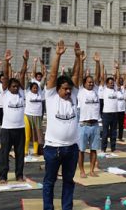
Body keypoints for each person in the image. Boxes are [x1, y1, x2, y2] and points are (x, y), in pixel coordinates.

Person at [42, 40, 80, 210]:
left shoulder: (73, 97)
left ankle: (67, 207)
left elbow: (76, 76)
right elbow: (52, 76)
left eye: (69, 89)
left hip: (71, 149)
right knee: (50, 181)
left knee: (68, 182)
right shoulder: (50, 97)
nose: (68, 91)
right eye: (65, 88)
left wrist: (78, 58)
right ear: (57, 89)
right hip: (53, 149)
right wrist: (57, 55)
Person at [0, 49, 28, 183]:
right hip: (7, 130)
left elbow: (22, 75)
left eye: (17, 86)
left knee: (20, 155)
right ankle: (3, 176)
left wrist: (25, 62)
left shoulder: (22, 93)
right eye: (13, 86)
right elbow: (6, 78)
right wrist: (6, 62)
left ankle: (19, 175)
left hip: (20, 129)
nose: (15, 88)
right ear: (8, 87)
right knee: (4, 154)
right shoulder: (5, 94)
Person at [78, 49, 101, 178]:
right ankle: (82, 170)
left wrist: (97, 63)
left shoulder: (96, 90)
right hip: (83, 125)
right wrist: (81, 62)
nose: (91, 84)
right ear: (84, 83)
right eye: (89, 82)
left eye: (92, 82)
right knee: (81, 150)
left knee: (93, 149)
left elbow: (97, 77)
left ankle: (92, 170)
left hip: (95, 125)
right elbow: (81, 75)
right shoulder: (81, 90)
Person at [25, 66, 45, 155]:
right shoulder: (27, 92)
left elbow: (43, 80)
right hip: (28, 116)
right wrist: (26, 71)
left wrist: (45, 71)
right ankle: (25, 151)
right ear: (31, 88)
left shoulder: (40, 93)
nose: (35, 89)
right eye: (34, 88)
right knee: (27, 135)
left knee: (37, 135)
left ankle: (37, 151)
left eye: (36, 88)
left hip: (37, 116)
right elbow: (27, 80)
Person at [100, 65, 119, 153]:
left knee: (114, 132)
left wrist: (117, 69)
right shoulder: (104, 89)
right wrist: (103, 68)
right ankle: (103, 148)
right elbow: (102, 78)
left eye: (112, 83)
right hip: (106, 114)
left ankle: (113, 148)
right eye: (110, 83)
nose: (111, 84)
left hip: (115, 114)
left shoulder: (115, 89)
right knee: (105, 132)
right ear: (106, 83)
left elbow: (117, 79)